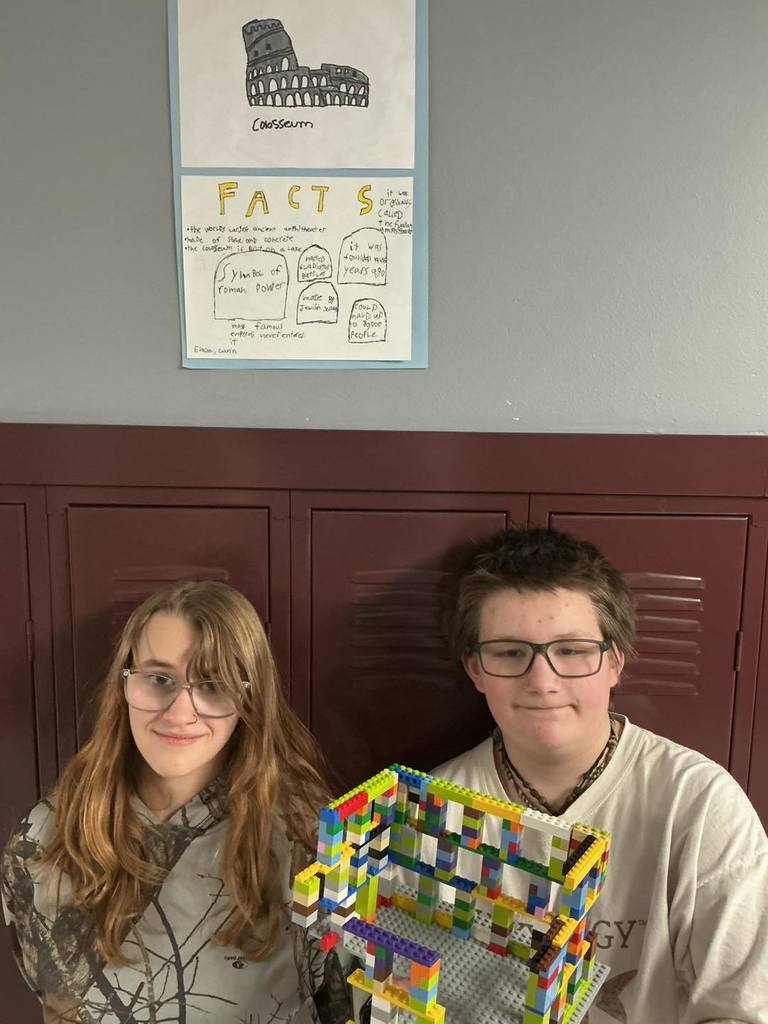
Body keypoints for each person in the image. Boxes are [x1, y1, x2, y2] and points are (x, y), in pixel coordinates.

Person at [433, 526, 768, 1024]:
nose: (542, 681)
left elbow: (739, 1009)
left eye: (571, 651)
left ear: (615, 662)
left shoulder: (699, 804)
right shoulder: (433, 809)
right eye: (508, 652)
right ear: (475, 669)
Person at [1, 581, 352, 1024]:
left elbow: (338, 999)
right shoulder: (44, 840)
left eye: (213, 684)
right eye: (159, 679)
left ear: (249, 697)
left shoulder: (309, 833)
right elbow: (52, 993)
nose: (180, 711)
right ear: (125, 683)